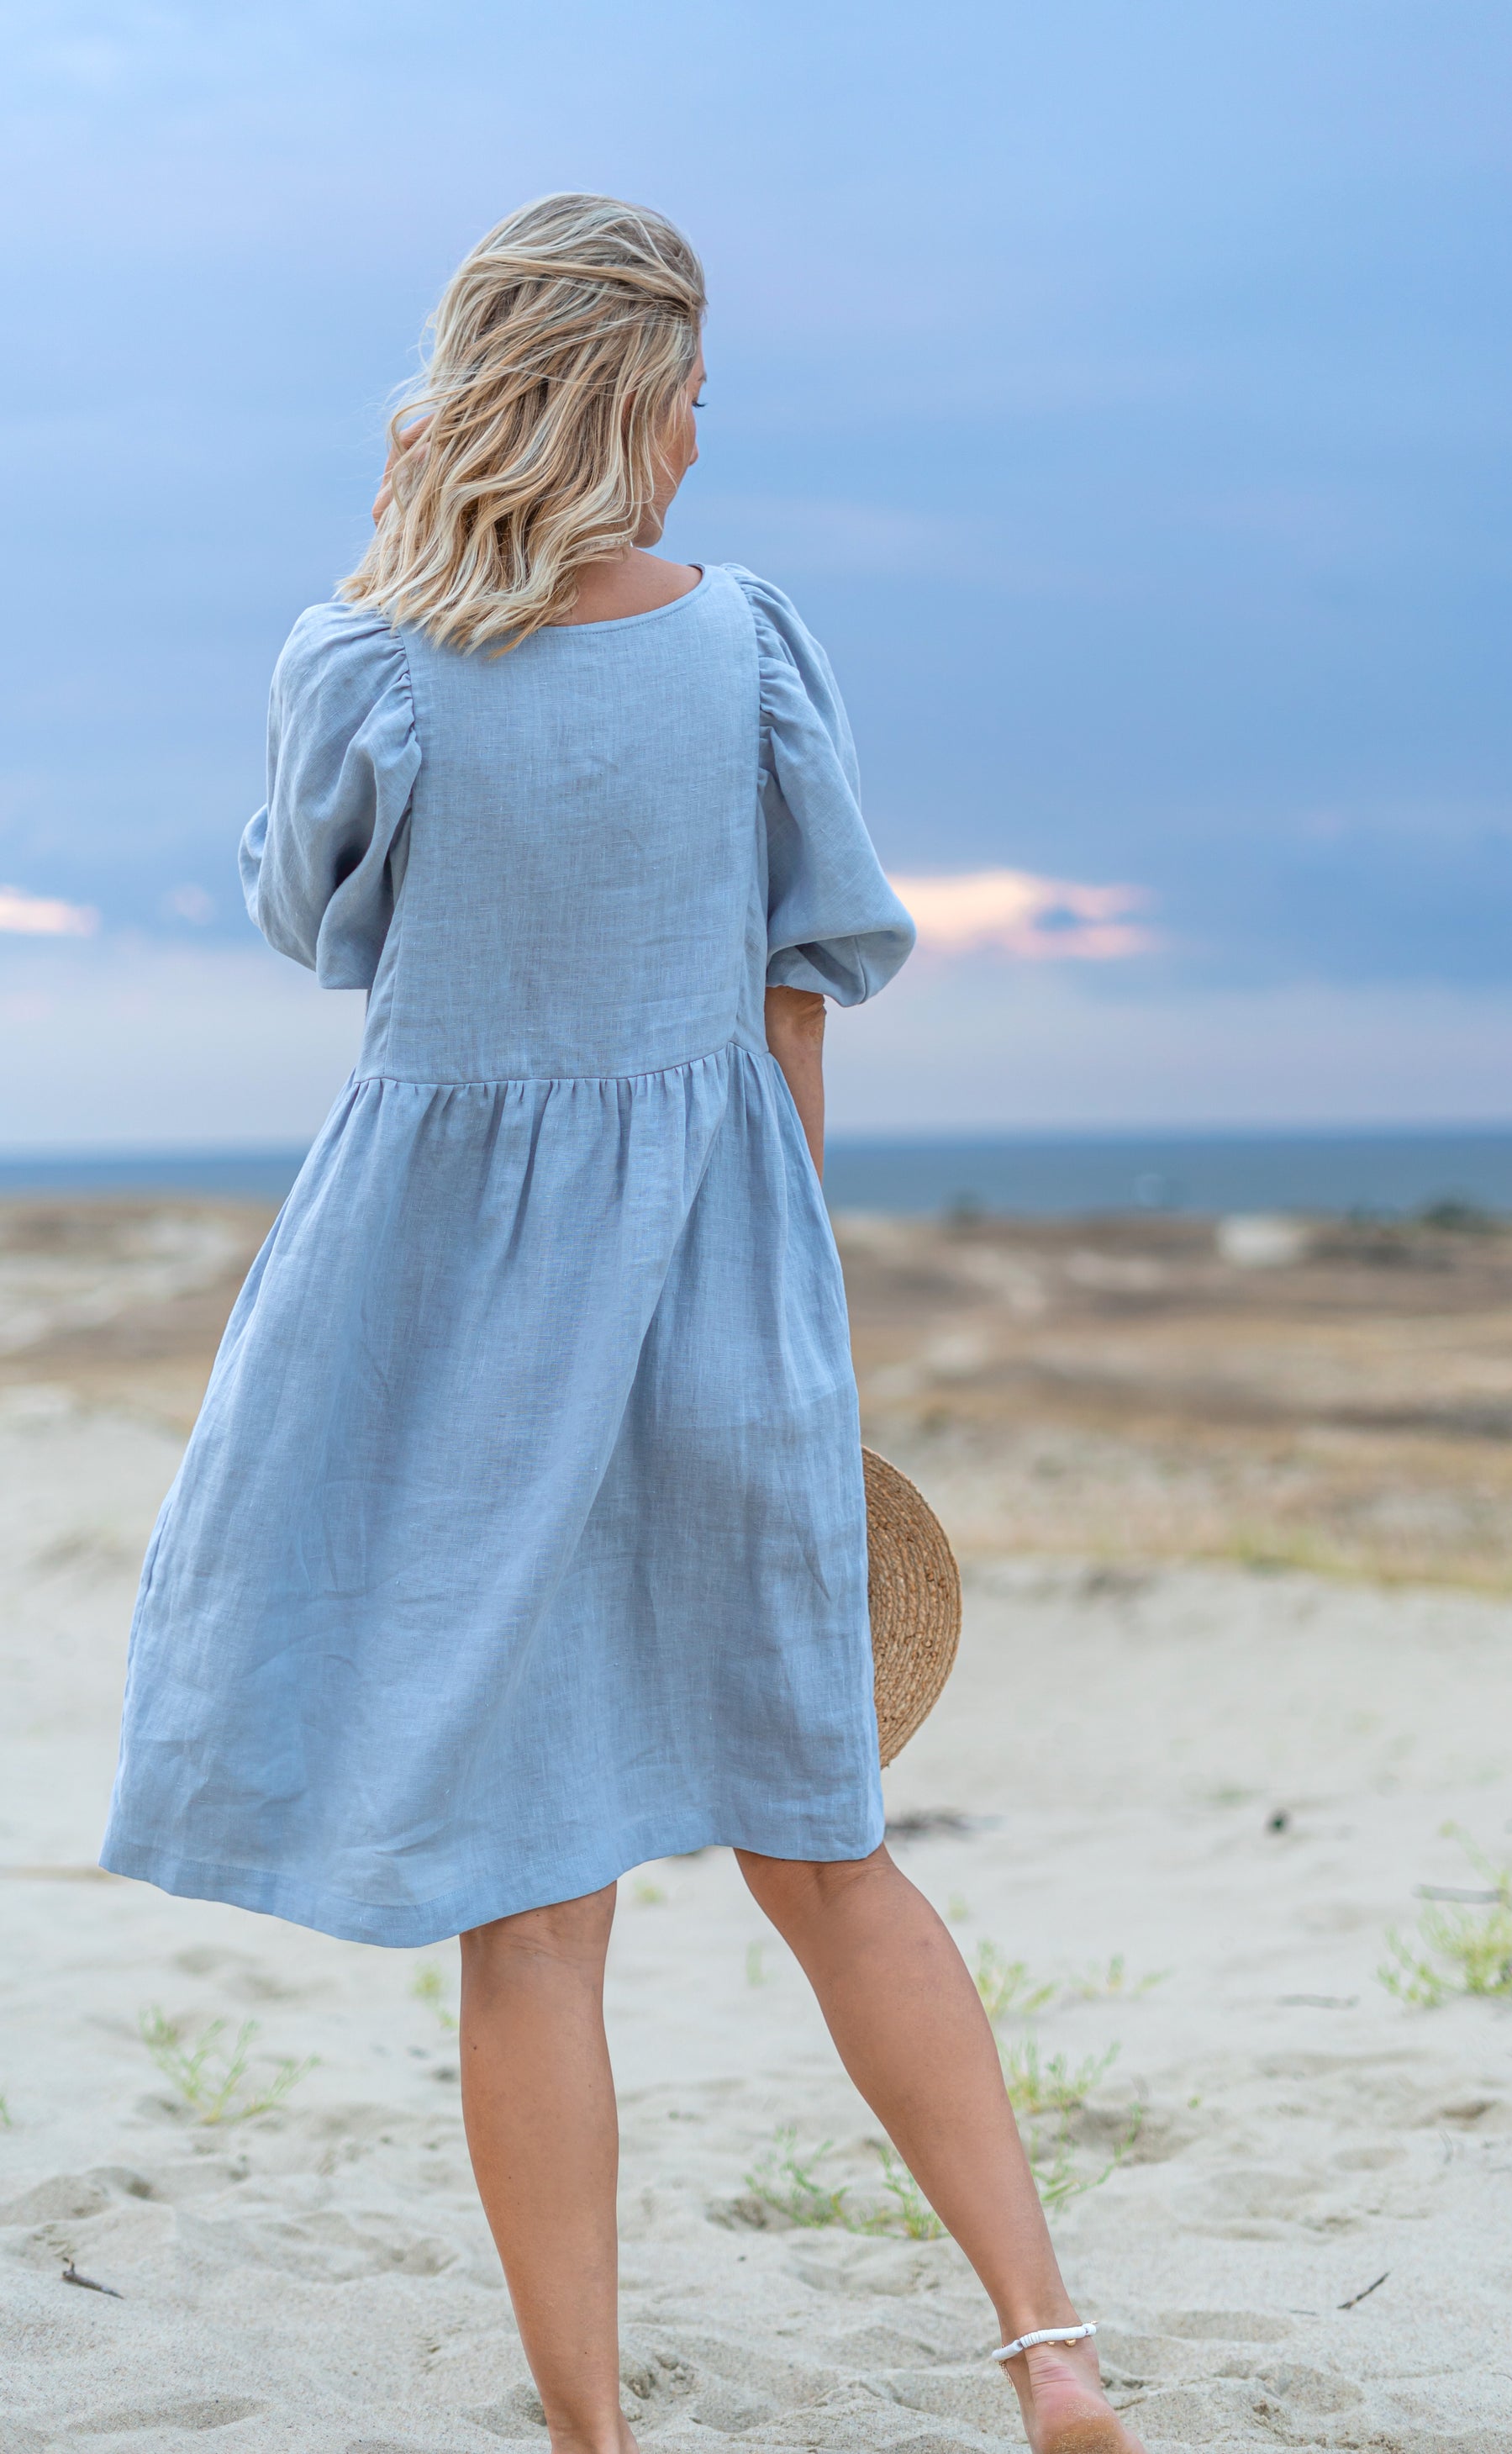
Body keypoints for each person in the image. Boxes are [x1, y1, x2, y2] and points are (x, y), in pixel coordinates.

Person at [101, 193, 1145, 2454]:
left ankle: (590, 2435)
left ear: (471, 405)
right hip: (720, 1282)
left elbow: (323, 928)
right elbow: (795, 1004)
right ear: (660, 414)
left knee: (530, 1915)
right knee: (824, 1845)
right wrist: (792, 1311)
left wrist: (393, 597)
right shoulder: (748, 641)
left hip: (434, 1316)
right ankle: (1044, 2346)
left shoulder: (362, 665)